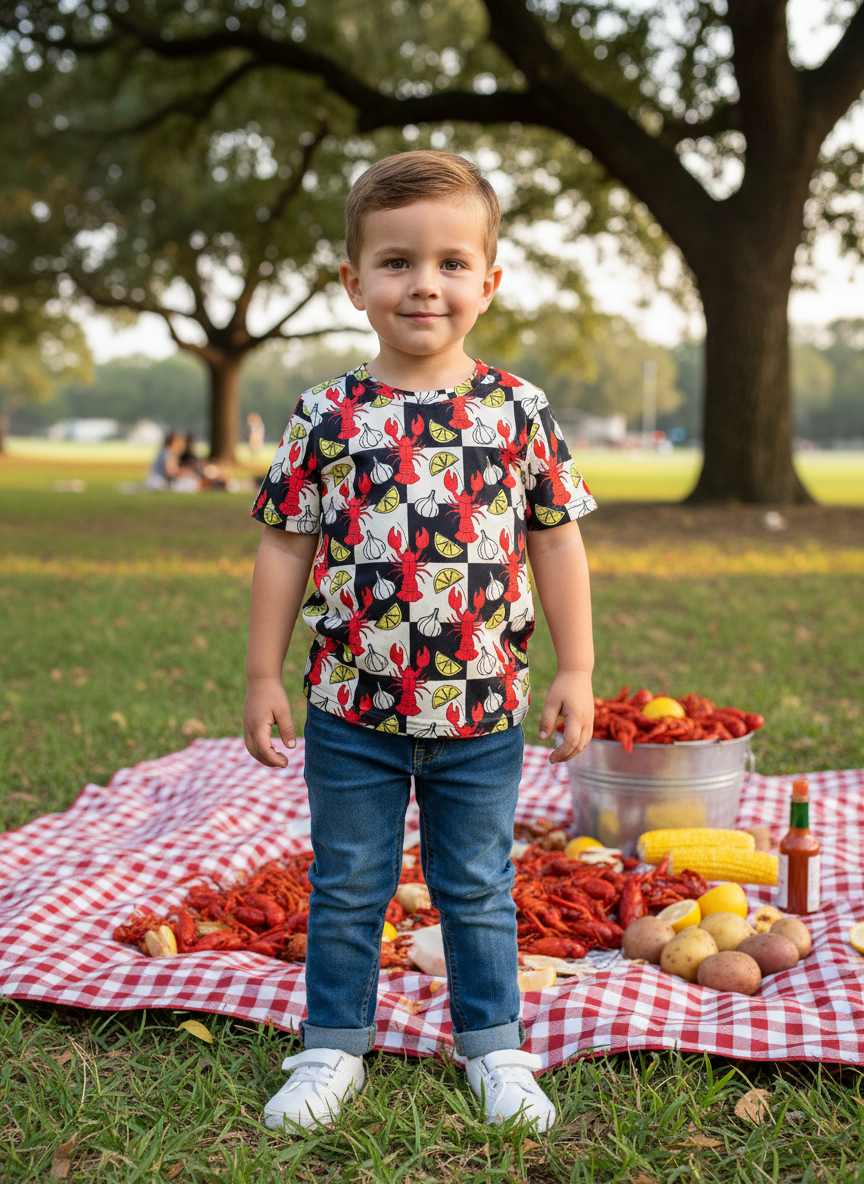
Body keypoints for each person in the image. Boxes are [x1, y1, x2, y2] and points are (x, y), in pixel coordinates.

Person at [244, 151, 596, 1134]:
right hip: (348, 705)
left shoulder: (516, 410)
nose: (424, 284)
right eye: (396, 262)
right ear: (353, 282)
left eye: (449, 262)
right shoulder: (327, 414)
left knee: (476, 879)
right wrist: (261, 670)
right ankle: (329, 1043)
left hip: (479, 705)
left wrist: (575, 664)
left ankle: (495, 1046)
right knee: (348, 877)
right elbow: (284, 545)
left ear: (489, 279)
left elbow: (556, 538)